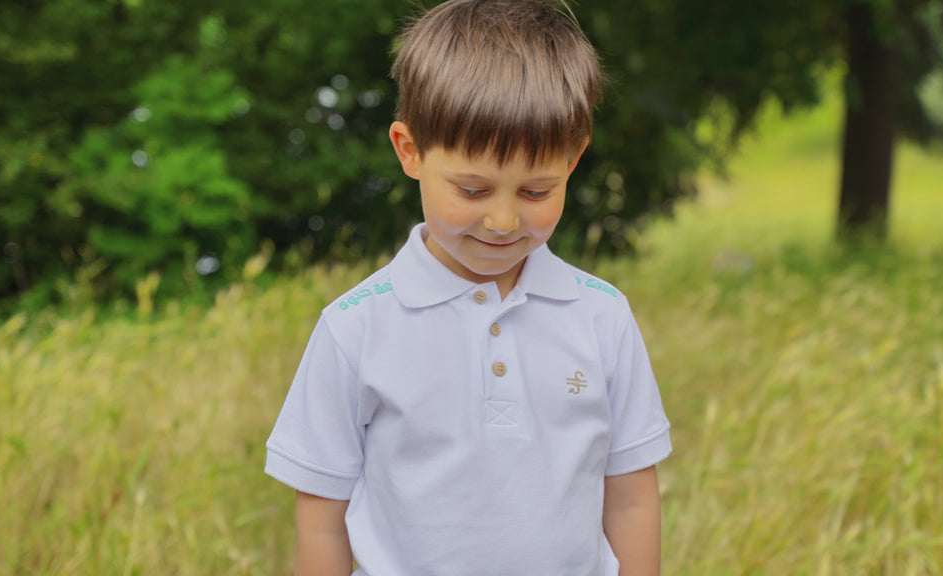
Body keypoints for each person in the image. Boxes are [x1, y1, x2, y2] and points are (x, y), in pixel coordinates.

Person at [265, 1, 672, 574]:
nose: (503, 222)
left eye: (534, 191)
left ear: (574, 159)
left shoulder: (602, 315)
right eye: (473, 190)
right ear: (410, 152)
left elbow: (630, 495)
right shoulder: (355, 326)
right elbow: (322, 516)